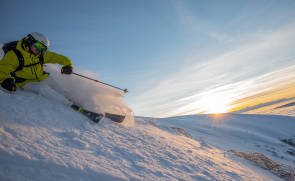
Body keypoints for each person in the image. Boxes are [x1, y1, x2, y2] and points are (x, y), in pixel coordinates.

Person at [0, 32, 73, 92]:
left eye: (43, 48)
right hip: (26, 82)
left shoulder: (41, 54)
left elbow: (58, 58)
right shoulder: (15, 55)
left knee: (62, 91)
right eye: (38, 45)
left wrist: (68, 65)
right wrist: (5, 80)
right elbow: (2, 70)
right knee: (44, 91)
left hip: (43, 78)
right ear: (30, 41)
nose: (40, 50)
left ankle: (77, 104)